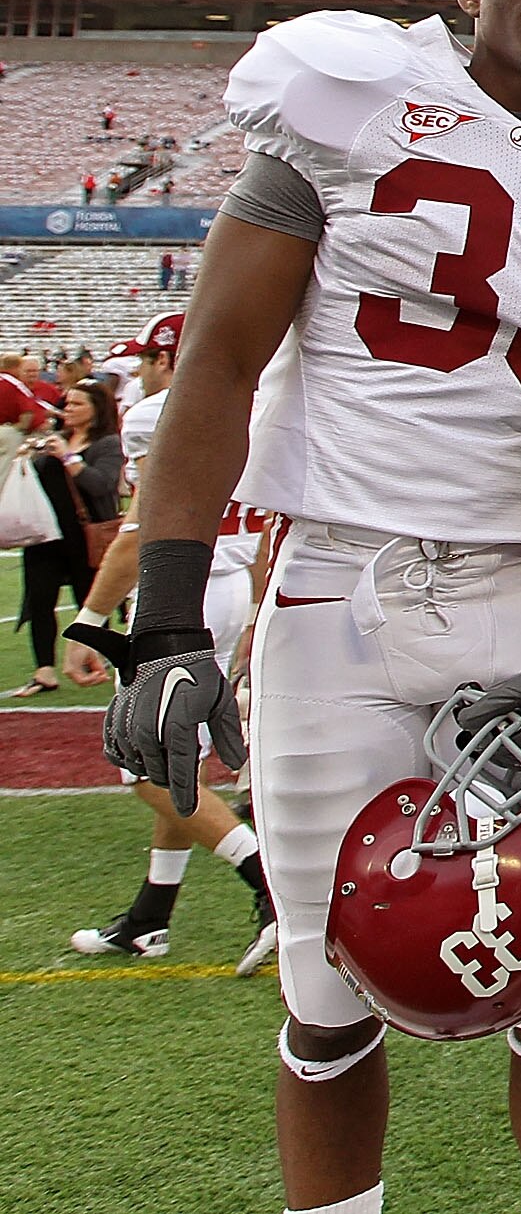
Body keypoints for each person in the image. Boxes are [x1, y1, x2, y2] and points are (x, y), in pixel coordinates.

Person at [103, 0, 521, 1214]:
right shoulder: (350, 95)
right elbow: (218, 358)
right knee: (331, 996)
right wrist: (168, 618)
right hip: (341, 581)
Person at [60, 311, 279, 973]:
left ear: (163, 358)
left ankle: (268, 891)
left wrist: (91, 622)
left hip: (185, 588)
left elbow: (141, 531)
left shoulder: (160, 413)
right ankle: (150, 918)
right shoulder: (262, 402)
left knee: (145, 768)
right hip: (236, 583)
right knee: (176, 754)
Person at [17, 378, 123, 696]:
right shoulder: (55, 437)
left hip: (86, 534)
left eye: (77, 404)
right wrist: (28, 456)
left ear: (96, 409)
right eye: (67, 403)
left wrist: (69, 458)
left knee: (88, 597)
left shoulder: (107, 444)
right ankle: (44, 670)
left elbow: (101, 484)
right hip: (46, 534)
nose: (68, 409)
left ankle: (97, 658)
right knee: (40, 599)